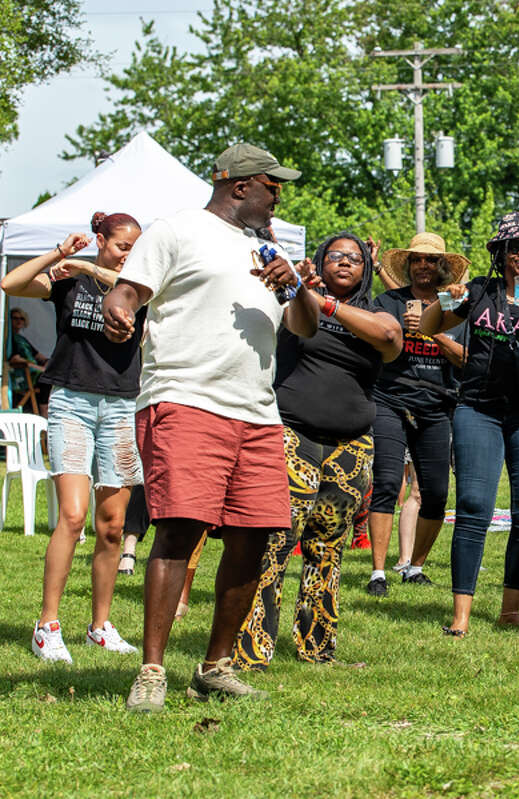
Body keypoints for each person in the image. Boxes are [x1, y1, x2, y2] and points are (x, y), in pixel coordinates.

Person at [102, 142, 311, 711]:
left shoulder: (269, 251)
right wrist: (118, 311)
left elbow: (306, 326)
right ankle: (151, 670)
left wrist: (293, 285)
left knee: (256, 535)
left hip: (257, 412)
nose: (278, 197)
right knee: (180, 528)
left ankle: (215, 666)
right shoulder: (177, 231)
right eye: (274, 186)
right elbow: (127, 290)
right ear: (241, 186)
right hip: (186, 399)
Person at [232, 232, 401, 670]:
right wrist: (299, 288)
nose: (344, 263)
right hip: (292, 438)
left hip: (350, 448)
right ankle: (252, 651)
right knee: (274, 543)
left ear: (366, 268)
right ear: (320, 261)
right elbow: (287, 317)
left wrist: (327, 303)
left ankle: (317, 649)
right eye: (335, 256)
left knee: (327, 549)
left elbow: (390, 337)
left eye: (355, 258)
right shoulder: (298, 304)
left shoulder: (377, 312)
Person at [421, 212, 519, 637]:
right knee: (474, 505)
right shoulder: (479, 292)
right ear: (501, 253)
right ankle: (461, 615)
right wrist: (447, 298)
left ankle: (511, 610)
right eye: (514, 246)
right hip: (479, 408)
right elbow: (429, 326)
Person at [1, 212, 146, 663]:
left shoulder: (141, 287)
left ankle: (99, 626)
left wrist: (87, 266)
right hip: (71, 404)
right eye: (122, 246)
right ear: (101, 240)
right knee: (72, 515)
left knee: (113, 526)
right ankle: (47, 625)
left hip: (122, 406)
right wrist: (62, 255)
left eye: (135, 248)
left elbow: (125, 280)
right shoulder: (69, 283)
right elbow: (11, 284)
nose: (129, 255)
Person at [366, 233, 468, 595]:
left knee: (437, 493)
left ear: (442, 266)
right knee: (388, 482)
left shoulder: (457, 307)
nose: (423, 265)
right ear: (408, 265)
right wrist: (396, 332)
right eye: (416, 260)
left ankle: (415, 566)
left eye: (430, 260)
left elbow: (465, 360)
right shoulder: (388, 300)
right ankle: (378, 572)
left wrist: (431, 330)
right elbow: (373, 339)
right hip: (390, 399)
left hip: (438, 404)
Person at [8, 307, 49, 413]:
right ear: (9, 320)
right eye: (15, 318)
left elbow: (38, 356)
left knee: (52, 375)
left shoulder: (22, 339)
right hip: (22, 374)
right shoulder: (9, 338)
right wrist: (39, 368)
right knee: (45, 378)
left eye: (21, 318)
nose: (19, 321)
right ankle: (44, 414)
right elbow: (15, 359)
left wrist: (50, 362)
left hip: (33, 372)